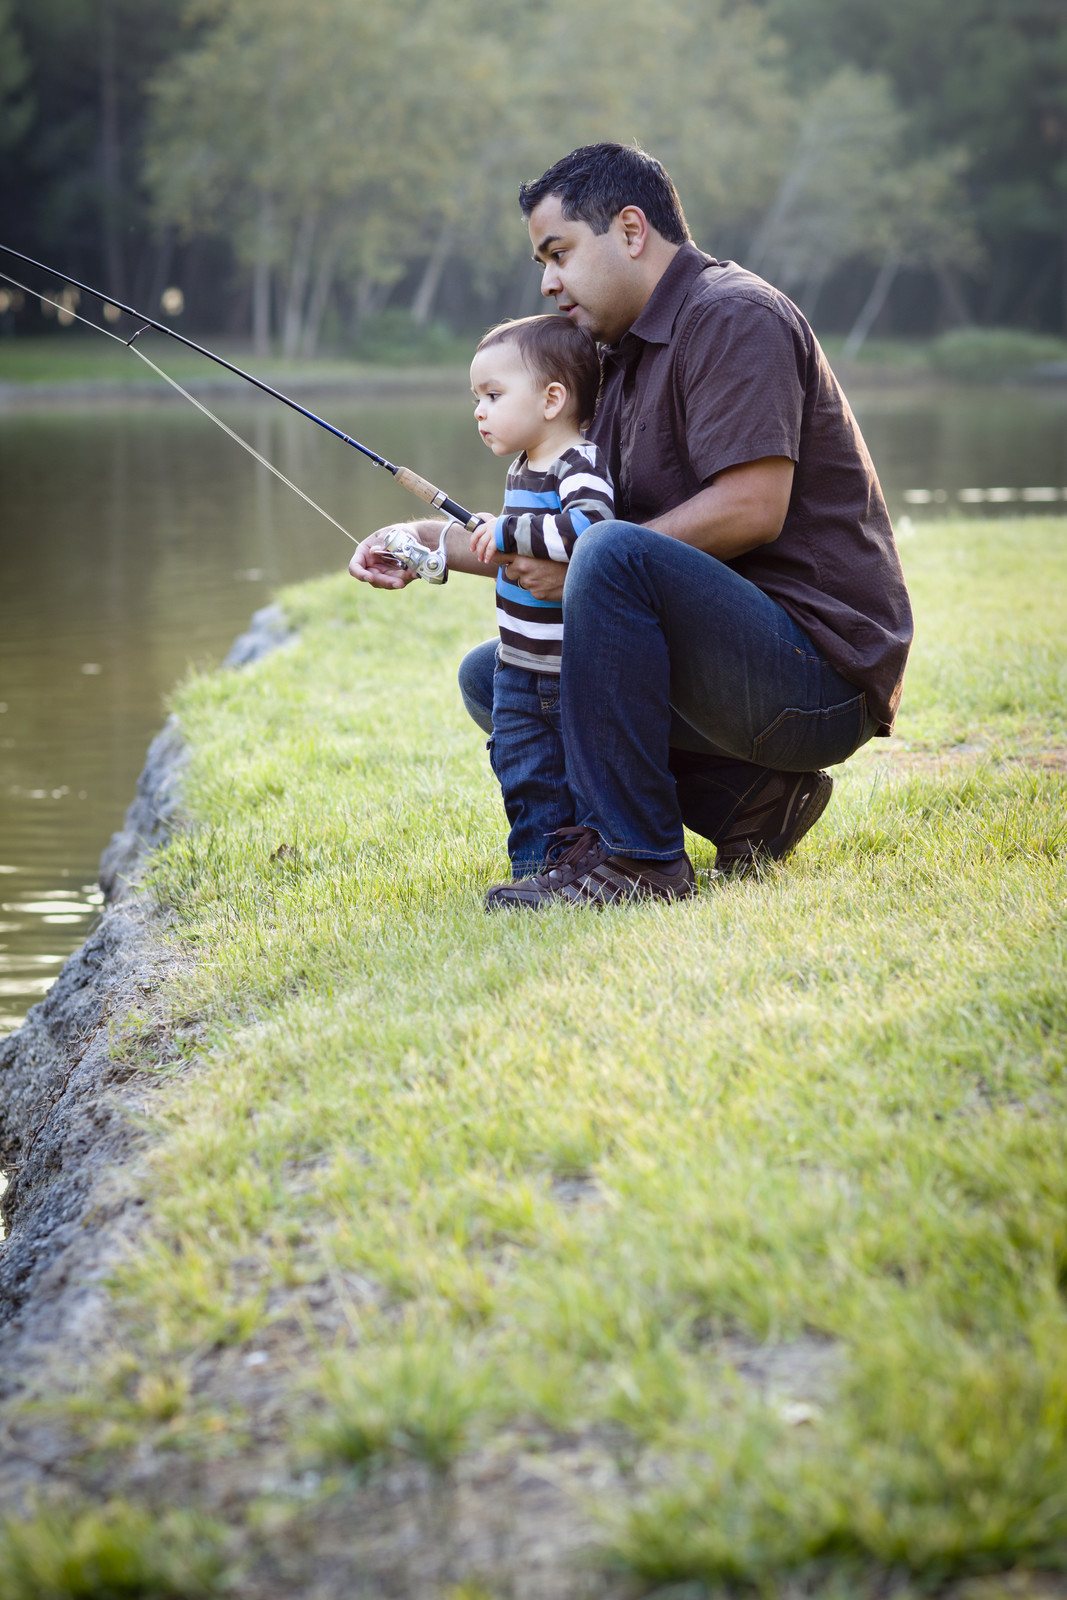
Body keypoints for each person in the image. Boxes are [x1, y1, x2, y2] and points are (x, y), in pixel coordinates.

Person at [349, 143, 913, 910]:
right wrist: (416, 544)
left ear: (630, 229)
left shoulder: (731, 316)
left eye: (559, 253)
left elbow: (751, 507)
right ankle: (744, 800)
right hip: (731, 663)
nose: (547, 282)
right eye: (541, 261)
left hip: (817, 676)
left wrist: (589, 565)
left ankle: (641, 863)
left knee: (607, 553)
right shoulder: (616, 357)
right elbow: (548, 535)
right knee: (499, 674)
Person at [466, 315, 615, 876]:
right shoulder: (523, 467)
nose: (480, 410)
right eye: (476, 397)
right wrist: (495, 527)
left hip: (567, 664)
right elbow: (527, 536)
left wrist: (506, 530)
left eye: (493, 395)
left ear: (552, 398)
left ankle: (584, 861)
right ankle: (534, 870)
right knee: (522, 763)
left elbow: (591, 532)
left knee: (575, 769)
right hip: (516, 659)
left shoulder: (580, 464)